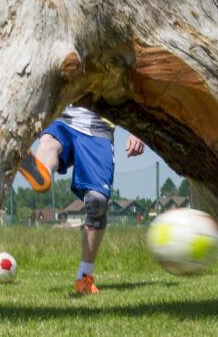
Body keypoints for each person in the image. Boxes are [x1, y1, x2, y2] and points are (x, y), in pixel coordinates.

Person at [18, 105, 145, 294]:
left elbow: (137, 84)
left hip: (98, 125)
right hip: (61, 114)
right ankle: (41, 172)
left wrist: (138, 129)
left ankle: (84, 277)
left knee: (97, 203)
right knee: (50, 142)